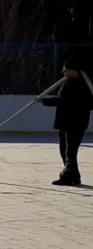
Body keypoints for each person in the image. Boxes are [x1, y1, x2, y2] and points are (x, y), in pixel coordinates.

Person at [40, 50, 92, 186]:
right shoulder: (67, 83)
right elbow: (62, 99)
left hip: (75, 122)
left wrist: (45, 101)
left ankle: (69, 175)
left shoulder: (81, 85)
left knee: (70, 151)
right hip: (65, 122)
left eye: (67, 69)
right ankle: (73, 175)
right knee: (64, 150)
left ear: (76, 70)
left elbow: (66, 102)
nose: (64, 71)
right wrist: (45, 100)